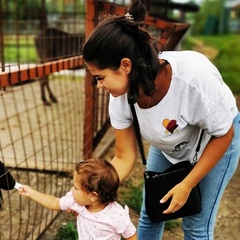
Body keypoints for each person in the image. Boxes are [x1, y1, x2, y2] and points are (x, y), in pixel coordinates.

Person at [81, 0, 240, 239]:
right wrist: (90, 192)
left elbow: (224, 133)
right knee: (152, 213)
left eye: (100, 77)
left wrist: (187, 184)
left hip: (216, 142)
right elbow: (124, 157)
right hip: (170, 144)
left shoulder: (192, 79)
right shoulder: (121, 98)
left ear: (125, 65)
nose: (99, 85)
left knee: (195, 224)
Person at [18, 158, 137, 240]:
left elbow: (131, 236)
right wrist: (31, 192)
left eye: (76, 188)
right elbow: (54, 202)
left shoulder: (116, 215)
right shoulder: (75, 202)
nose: (72, 190)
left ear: (93, 196)